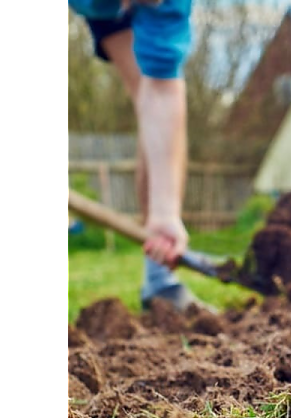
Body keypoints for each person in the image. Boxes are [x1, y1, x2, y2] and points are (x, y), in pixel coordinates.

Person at [69, 0, 208, 311]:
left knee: (148, 91)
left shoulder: (168, 5)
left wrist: (165, 213)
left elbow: (161, 88)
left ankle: (159, 282)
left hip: (103, 9)